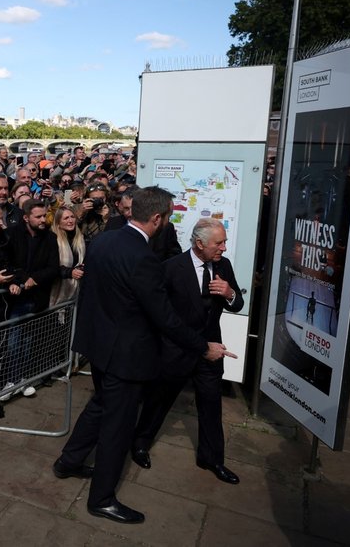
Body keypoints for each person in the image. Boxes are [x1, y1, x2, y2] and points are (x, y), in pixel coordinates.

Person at [52, 186, 233, 525]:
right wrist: (202, 346)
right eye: (167, 218)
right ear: (156, 218)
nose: (167, 224)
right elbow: (164, 317)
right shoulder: (144, 258)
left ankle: (69, 461)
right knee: (117, 427)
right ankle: (102, 499)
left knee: (100, 406)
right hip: (125, 355)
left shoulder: (106, 240)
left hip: (99, 345)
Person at [131, 218, 244, 485]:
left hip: (212, 350)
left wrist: (229, 294)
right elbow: (163, 316)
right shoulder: (171, 268)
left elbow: (237, 303)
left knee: (211, 405)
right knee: (159, 401)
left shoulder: (223, 266)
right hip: (176, 351)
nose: (224, 248)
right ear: (199, 243)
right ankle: (139, 444)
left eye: (225, 241)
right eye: (219, 243)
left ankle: (212, 458)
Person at [2, 199, 61, 400]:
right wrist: (21, 279)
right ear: (26, 218)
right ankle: (11, 380)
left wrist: (34, 279)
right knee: (13, 341)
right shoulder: (12, 234)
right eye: (38, 216)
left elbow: (53, 268)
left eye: (44, 215)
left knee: (27, 341)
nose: (43, 219)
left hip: (36, 298)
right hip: (15, 297)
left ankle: (22, 379)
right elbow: (7, 262)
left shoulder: (51, 238)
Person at [49, 207, 85, 305]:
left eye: (72, 217)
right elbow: (51, 267)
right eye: (66, 218)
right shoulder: (53, 240)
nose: (70, 221)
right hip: (57, 290)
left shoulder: (80, 239)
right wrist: (70, 272)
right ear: (58, 223)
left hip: (75, 290)